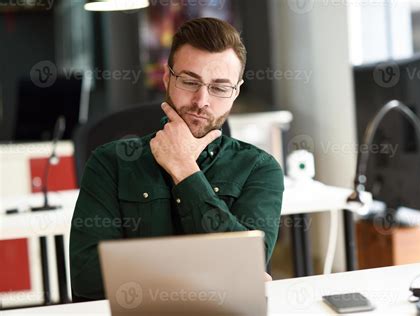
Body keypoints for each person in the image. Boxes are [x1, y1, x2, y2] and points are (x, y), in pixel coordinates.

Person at [70, 17, 284, 302]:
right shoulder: (109, 163)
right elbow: (87, 280)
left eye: (220, 87)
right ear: (168, 78)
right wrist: (217, 269)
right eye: (189, 81)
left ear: (236, 92)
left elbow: (249, 266)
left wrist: (184, 169)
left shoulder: (260, 168)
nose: (201, 100)